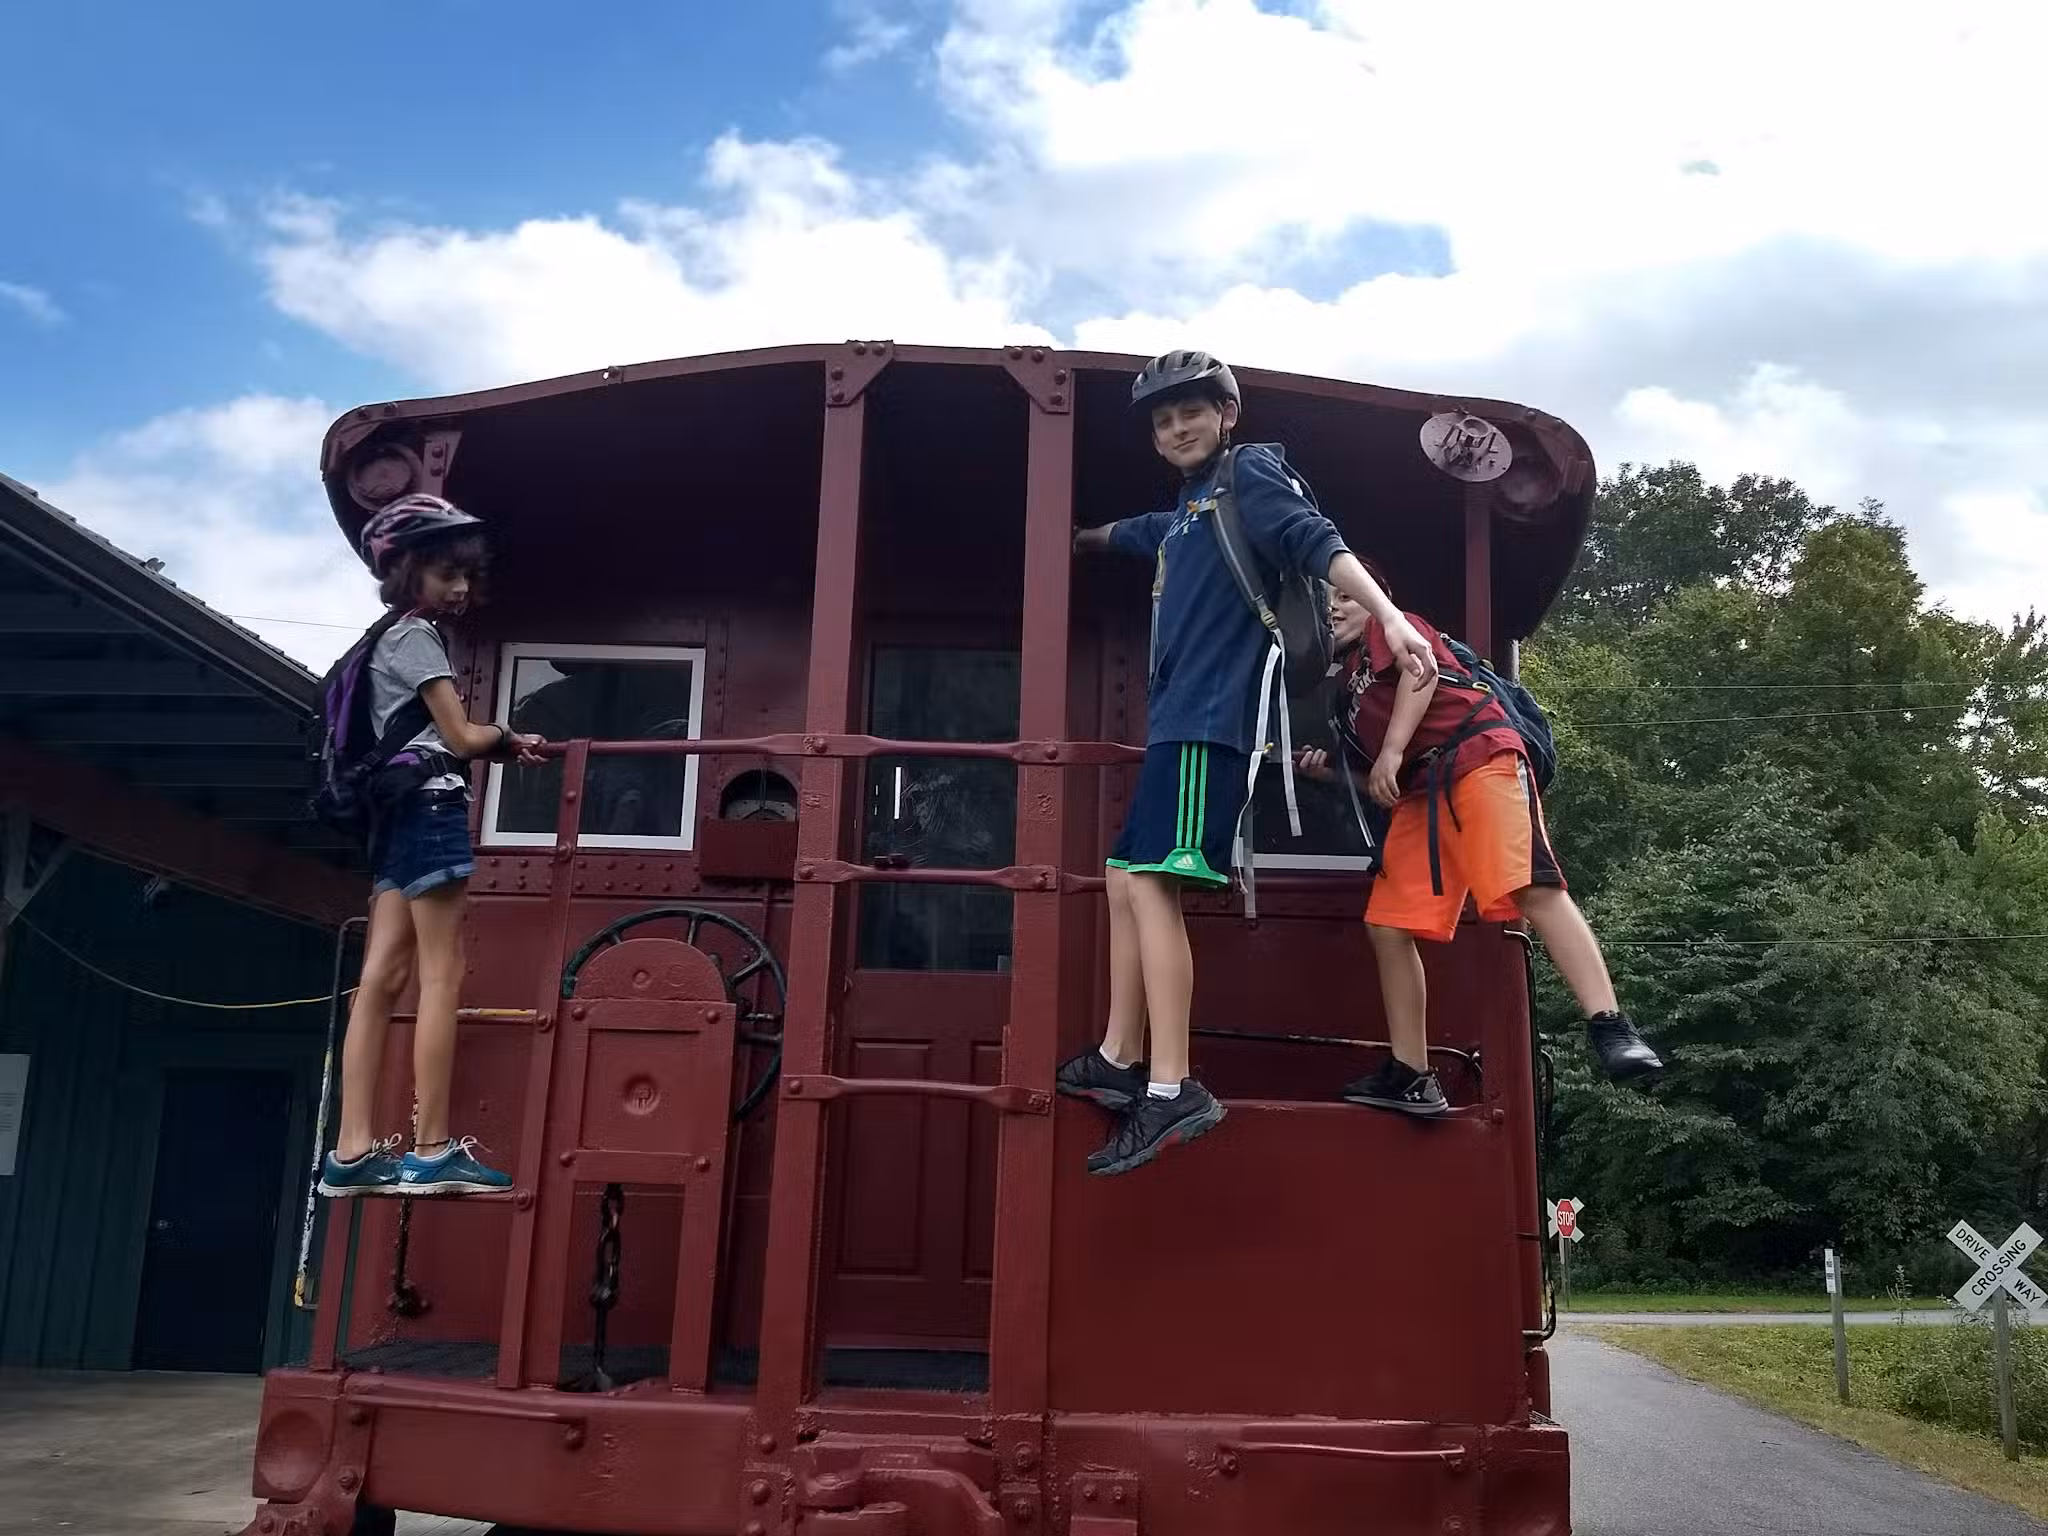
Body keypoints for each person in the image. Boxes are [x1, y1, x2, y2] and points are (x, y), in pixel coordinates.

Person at [1056, 350, 1439, 1175]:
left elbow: (1319, 543)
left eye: (1191, 411)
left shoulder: (1251, 475)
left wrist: (1390, 620)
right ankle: (1120, 1055)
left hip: (1210, 724)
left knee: (1156, 881)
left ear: (1228, 414)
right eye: (1162, 420)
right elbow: (1139, 533)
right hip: (1175, 722)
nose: (1177, 428)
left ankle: (1171, 1089)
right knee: (1126, 873)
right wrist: (1079, 538)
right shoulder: (1188, 510)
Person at [1298, 581, 1662, 1117]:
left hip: (1481, 756)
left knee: (1531, 886)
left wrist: (1392, 751)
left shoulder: (1394, 625)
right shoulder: (1349, 685)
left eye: (1345, 597)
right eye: (1323, 602)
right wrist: (1325, 770)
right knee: (1387, 923)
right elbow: (1372, 774)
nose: (1333, 607)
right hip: (1423, 793)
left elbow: (1420, 673)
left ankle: (1612, 1027)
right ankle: (1411, 1074)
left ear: (1374, 599)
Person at [318, 494, 546, 1197]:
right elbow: (462, 737)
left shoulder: (376, 640)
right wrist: (512, 740)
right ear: (407, 567)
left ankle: (352, 1153)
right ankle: (432, 1149)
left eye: (466, 575)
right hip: (432, 806)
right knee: (443, 974)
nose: (461, 589)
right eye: (448, 572)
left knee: (381, 980)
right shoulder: (417, 638)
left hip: (392, 815)